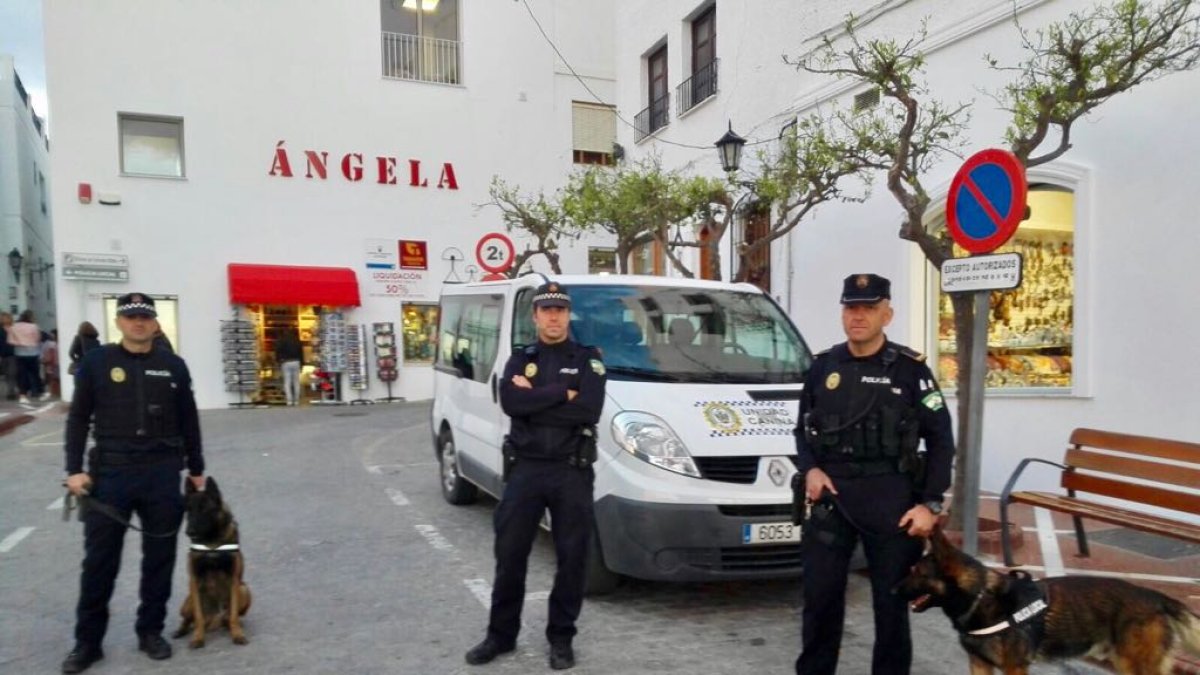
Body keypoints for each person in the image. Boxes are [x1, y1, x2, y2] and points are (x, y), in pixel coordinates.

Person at [792, 274, 955, 675]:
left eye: (869, 308)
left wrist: (930, 503)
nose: (858, 316)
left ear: (887, 315)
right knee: (820, 600)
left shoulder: (910, 370)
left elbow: (941, 440)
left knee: (891, 606)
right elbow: (801, 430)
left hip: (891, 500)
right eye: (851, 307)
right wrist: (810, 469)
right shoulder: (823, 366)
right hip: (833, 497)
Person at [61, 293, 206, 674]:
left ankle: (150, 631)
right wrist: (74, 469)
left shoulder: (173, 365)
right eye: (131, 317)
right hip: (111, 475)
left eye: (144, 316)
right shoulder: (96, 362)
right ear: (119, 323)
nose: (138, 322)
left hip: (162, 473)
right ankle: (88, 643)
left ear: (155, 323)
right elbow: (78, 419)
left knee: (160, 559)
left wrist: (196, 468)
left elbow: (189, 419)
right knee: (99, 563)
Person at [465, 282, 606, 671]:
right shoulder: (519, 359)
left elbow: (588, 410)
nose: (554, 317)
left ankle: (561, 638)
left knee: (572, 559)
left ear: (569, 315)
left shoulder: (588, 360)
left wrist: (536, 398)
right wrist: (563, 393)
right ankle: (500, 636)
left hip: (570, 471)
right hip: (526, 470)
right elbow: (512, 402)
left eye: (560, 310)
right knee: (509, 555)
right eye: (547, 310)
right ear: (536, 316)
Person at [9, 309, 47, 402]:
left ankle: (23, 395)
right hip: (33, 352)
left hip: (19, 352)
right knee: (35, 373)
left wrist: (20, 342)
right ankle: (38, 392)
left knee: (22, 374)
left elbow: (10, 341)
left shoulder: (13, 327)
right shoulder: (34, 326)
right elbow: (38, 339)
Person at [274, 329, 303, 406]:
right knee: (296, 382)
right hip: (296, 361)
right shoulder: (297, 340)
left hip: (286, 362)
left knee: (287, 382)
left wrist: (278, 361)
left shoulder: (281, 340)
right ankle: (296, 401)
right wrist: (302, 365)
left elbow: (278, 351)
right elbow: (301, 353)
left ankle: (289, 401)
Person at [0, 312, 17, 400]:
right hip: (3, 355)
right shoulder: (1, 329)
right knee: (7, 374)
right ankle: (11, 390)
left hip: (13, 354)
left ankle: (11, 392)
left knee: (11, 373)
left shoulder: (14, 329)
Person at [42, 329, 60, 398]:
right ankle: (56, 391)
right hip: (55, 363)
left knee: (52, 378)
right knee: (55, 378)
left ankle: (52, 392)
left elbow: (47, 355)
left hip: (52, 363)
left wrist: (45, 360)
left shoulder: (49, 344)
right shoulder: (55, 344)